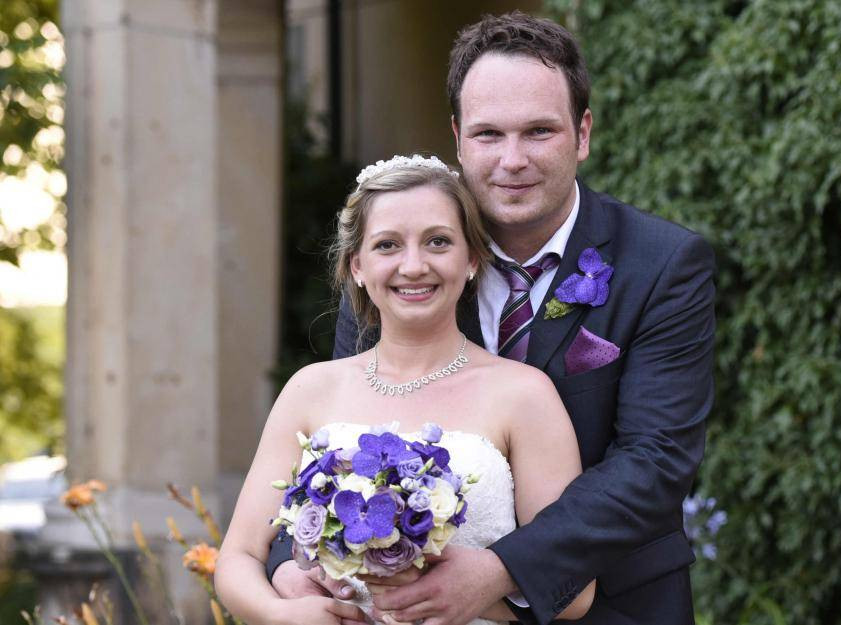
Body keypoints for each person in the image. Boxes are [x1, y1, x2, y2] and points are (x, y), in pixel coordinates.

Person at [268, 11, 716, 625]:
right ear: (456, 137)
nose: (512, 161)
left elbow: (656, 456)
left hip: (616, 605)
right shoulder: (401, 271)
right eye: (488, 134)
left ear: (582, 133)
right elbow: (338, 434)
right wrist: (288, 563)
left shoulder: (664, 264)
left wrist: (505, 570)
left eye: (538, 131)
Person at [215, 157, 596, 625]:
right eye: (388, 245)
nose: (413, 266)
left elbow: (575, 590)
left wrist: (471, 598)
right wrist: (279, 615)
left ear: (472, 259)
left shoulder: (524, 395)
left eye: (438, 242)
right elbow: (237, 559)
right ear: (357, 266)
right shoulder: (310, 390)